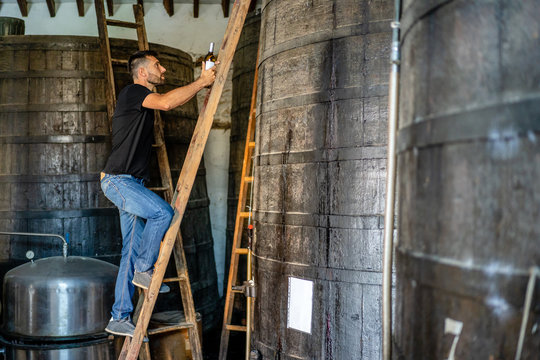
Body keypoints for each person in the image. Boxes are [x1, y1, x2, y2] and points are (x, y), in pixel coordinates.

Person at [100, 50, 216, 337]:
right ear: (142, 72)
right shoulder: (132, 92)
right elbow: (166, 103)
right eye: (157, 65)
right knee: (162, 212)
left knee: (129, 249)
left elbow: (169, 102)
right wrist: (201, 82)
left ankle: (119, 316)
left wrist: (202, 83)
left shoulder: (141, 98)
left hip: (130, 183)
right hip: (118, 181)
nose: (162, 70)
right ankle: (144, 268)